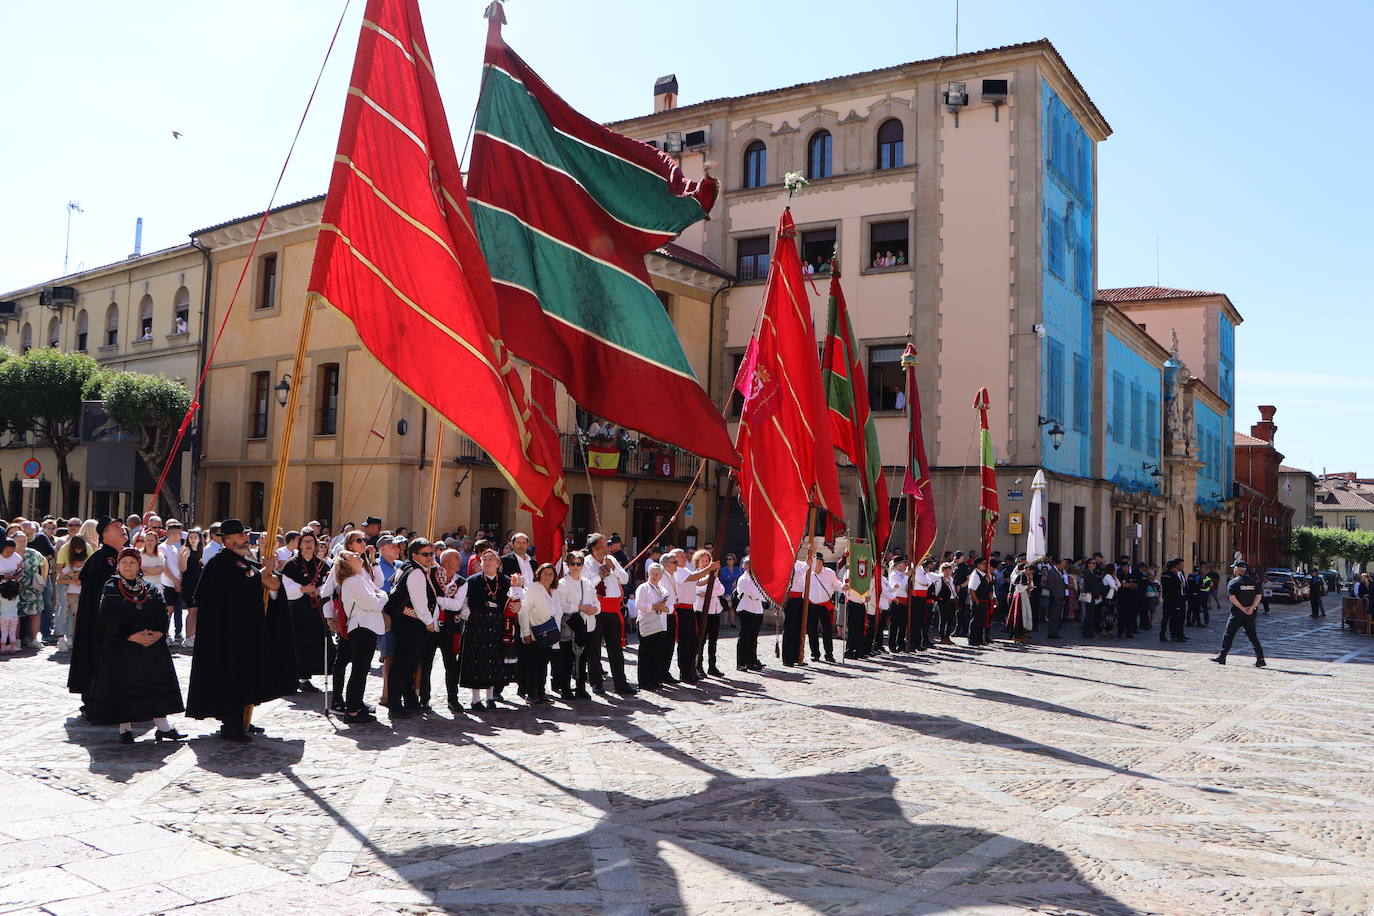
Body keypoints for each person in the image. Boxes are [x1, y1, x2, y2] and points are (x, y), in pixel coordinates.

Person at [185, 519, 296, 741]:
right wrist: (260, 578)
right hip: (226, 636)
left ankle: (244, 717)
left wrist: (270, 581)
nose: (245, 539)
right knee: (231, 678)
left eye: (245, 535)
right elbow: (219, 595)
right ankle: (231, 724)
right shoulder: (219, 563)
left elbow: (259, 584)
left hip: (246, 632)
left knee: (245, 676)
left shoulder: (245, 562)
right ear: (226, 540)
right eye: (240, 536)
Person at [84, 547, 186, 744]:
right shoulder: (111, 586)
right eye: (124, 563)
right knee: (125, 686)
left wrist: (159, 633)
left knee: (155, 685)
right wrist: (130, 636)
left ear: (139, 565)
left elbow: (161, 609)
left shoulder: (149, 586)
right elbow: (107, 615)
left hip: (151, 645)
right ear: (118, 566)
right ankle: (125, 728)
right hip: (123, 646)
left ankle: (163, 727)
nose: (128, 566)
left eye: (132, 562)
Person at [384, 539, 441, 718]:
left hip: (406, 622)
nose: (429, 558)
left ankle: (409, 700)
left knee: (409, 664)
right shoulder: (415, 572)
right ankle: (395, 705)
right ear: (414, 554)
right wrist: (429, 622)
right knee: (403, 664)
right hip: (411, 623)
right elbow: (419, 602)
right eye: (425, 554)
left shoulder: (409, 566)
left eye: (431, 554)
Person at [458, 547, 519, 710]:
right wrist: (469, 616)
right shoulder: (472, 580)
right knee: (476, 660)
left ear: (498, 563)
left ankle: (490, 697)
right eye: (485, 559)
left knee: (495, 659)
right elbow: (463, 602)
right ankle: (476, 700)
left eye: (491, 559)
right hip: (477, 625)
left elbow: (515, 600)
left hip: (498, 625)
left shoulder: (506, 581)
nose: (488, 561)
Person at [334, 549, 385, 723]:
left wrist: (380, 596)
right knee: (359, 670)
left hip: (367, 628)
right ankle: (353, 710)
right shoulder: (352, 582)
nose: (358, 556)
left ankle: (356, 704)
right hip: (361, 629)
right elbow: (375, 603)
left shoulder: (360, 578)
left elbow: (378, 591)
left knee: (361, 670)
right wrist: (382, 596)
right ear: (346, 565)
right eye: (353, 556)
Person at [280, 531, 333, 695]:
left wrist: (318, 590)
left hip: (316, 610)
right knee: (297, 642)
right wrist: (303, 589)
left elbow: (329, 585)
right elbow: (285, 587)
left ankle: (305, 679)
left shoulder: (323, 565)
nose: (309, 544)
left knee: (315, 643)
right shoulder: (291, 565)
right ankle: (293, 678)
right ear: (300, 544)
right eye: (305, 541)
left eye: (311, 541)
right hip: (297, 610)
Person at [585, 532, 636, 694]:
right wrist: (599, 576)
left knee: (616, 649)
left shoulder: (611, 559)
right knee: (594, 649)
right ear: (593, 548)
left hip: (613, 609)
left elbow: (625, 579)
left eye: (605, 546)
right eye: (600, 547)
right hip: (596, 609)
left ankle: (621, 684)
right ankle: (596, 683)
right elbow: (587, 586)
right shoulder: (586, 563)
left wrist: (613, 568)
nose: (604, 550)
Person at [554, 550, 597, 698]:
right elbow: (560, 604)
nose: (576, 566)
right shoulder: (563, 583)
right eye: (572, 564)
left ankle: (580, 687)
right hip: (569, 625)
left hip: (585, 623)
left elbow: (595, 601)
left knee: (583, 657)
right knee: (567, 658)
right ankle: (565, 688)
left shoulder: (587, 582)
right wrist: (579, 607)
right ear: (568, 565)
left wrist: (594, 609)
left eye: (579, 563)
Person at [517, 563, 558, 705]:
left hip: (549, 634)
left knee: (543, 665)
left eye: (551, 574)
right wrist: (526, 632)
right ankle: (531, 693)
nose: (548, 576)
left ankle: (541, 692)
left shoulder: (553, 590)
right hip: (534, 633)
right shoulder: (533, 589)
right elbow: (523, 611)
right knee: (533, 665)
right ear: (539, 574)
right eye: (545, 573)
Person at [1212, 561, 1266, 668]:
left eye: (1234, 568)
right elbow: (1259, 596)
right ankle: (1260, 659)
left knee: (1229, 635)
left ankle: (1222, 657)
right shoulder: (1253, 581)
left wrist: (1242, 608)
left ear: (1236, 569)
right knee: (1253, 637)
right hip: (1250, 614)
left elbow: (1232, 598)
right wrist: (1252, 607)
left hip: (1237, 614)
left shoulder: (1234, 582)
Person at [634, 562, 672, 688]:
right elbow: (639, 605)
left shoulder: (663, 590)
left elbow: (671, 607)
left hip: (660, 625)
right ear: (648, 574)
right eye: (652, 574)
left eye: (657, 574)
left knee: (657, 654)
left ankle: (655, 679)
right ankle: (644, 681)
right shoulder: (643, 588)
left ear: (661, 576)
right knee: (646, 654)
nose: (654, 576)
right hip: (647, 624)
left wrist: (664, 608)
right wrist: (654, 607)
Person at [732, 556, 767, 671]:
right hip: (746, 609)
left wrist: (762, 595)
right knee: (745, 637)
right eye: (749, 565)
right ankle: (741, 662)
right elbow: (755, 594)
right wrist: (761, 595)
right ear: (745, 566)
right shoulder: (743, 579)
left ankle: (752, 660)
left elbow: (764, 593)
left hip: (757, 609)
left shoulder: (757, 578)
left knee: (753, 637)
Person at [696, 553, 727, 677]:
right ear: (698, 562)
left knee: (713, 640)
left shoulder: (714, 575)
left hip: (714, 610)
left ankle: (712, 666)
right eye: (702, 561)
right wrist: (709, 592)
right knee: (701, 640)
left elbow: (721, 590)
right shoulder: (697, 575)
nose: (704, 563)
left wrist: (710, 593)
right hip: (702, 611)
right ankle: (698, 666)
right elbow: (699, 591)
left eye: (707, 561)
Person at [179, 529, 205, 649]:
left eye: (195, 537)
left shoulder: (201, 551)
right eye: (191, 537)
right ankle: (188, 637)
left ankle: (192, 636)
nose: (193, 539)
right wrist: (185, 557)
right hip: (189, 584)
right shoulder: (186, 550)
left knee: (197, 611)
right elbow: (183, 569)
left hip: (199, 584)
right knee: (192, 611)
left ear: (200, 539)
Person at [1160, 558, 1188, 642]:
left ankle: (1162, 635)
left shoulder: (1163, 574)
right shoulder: (1173, 575)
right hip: (1174, 600)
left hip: (1166, 599)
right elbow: (1181, 585)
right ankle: (1176, 635)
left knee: (1165, 618)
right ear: (1174, 567)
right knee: (1174, 618)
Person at [1044, 557, 1067, 639]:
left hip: (1060, 596)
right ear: (1058, 564)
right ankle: (1052, 633)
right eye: (1063, 563)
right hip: (1055, 597)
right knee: (1054, 615)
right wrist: (1055, 595)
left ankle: (1055, 632)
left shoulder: (1059, 572)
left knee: (1057, 615)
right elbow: (1051, 585)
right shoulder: (1052, 572)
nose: (1064, 565)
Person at [718, 554, 742, 629]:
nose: (728, 561)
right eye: (727, 559)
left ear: (734, 560)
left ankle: (733, 622)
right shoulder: (723, 569)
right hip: (725, 590)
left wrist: (734, 581)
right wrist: (733, 580)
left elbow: (739, 578)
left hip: (734, 591)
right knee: (726, 607)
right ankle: (725, 623)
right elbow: (724, 578)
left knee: (732, 607)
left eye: (730, 559)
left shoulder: (738, 569)